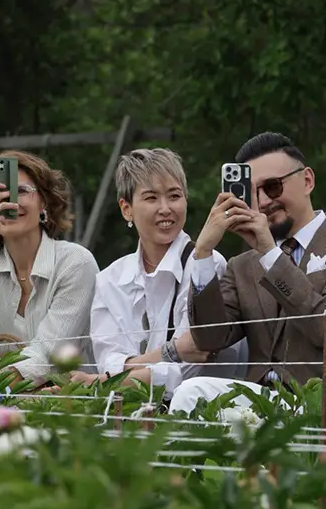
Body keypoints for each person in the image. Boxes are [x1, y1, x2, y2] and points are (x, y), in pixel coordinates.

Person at [173, 131, 326, 420]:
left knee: (192, 394)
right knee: (193, 396)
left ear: (307, 180)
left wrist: (269, 254)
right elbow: (209, 339)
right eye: (252, 193)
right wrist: (202, 254)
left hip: (323, 413)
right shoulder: (242, 265)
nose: (263, 202)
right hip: (257, 407)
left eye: (272, 187)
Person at [0, 149, 97, 384]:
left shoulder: (75, 262)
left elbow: (47, 356)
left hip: (62, 400)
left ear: (44, 201)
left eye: (22, 191)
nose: (10, 202)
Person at [89, 148, 229, 390]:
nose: (165, 208)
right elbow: (107, 363)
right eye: (151, 198)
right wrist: (171, 351)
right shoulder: (109, 279)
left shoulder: (208, 264)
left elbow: (188, 367)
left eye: (174, 196)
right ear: (126, 209)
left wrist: (105, 381)